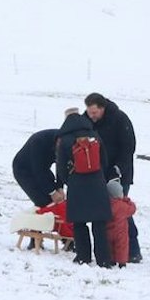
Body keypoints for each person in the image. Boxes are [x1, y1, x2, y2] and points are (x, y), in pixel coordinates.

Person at [84, 93, 141, 262]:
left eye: (94, 112)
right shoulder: (87, 120)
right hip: (97, 174)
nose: (92, 116)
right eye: (89, 112)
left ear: (102, 108)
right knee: (104, 212)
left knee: (121, 211)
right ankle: (111, 249)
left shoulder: (120, 120)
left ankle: (133, 250)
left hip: (119, 175)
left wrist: (118, 169)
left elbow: (128, 148)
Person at [55, 108, 113, 266]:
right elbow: (104, 159)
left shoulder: (64, 139)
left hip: (77, 183)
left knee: (79, 223)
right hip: (97, 182)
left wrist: (69, 180)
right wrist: (100, 176)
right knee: (99, 222)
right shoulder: (94, 134)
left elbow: (60, 167)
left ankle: (83, 256)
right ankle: (104, 259)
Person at [11, 129, 61, 209]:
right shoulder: (39, 141)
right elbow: (38, 171)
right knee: (44, 201)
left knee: (57, 201)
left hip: (43, 168)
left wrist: (59, 187)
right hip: (23, 170)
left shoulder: (66, 144)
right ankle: (38, 219)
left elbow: (61, 165)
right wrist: (53, 192)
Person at [105, 177, 137, 268]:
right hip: (121, 232)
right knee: (122, 247)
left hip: (109, 230)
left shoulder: (107, 204)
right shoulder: (123, 206)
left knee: (110, 246)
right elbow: (132, 209)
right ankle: (122, 262)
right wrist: (127, 200)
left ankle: (112, 260)